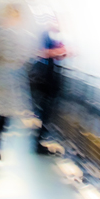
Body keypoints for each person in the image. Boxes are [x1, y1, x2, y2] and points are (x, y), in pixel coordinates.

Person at [0, 4, 34, 160]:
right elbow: (27, 57)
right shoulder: (26, 36)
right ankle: (0, 142)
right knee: (8, 111)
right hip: (14, 76)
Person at [31, 21, 67, 154]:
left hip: (49, 79)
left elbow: (54, 54)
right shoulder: (44, 35)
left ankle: (39, 140)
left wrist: (62, 53)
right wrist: (60, 51)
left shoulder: (53, 37)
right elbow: (42, 52)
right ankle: (38, 142)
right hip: (45, 80)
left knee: (46, 111)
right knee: (44, 110)